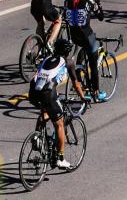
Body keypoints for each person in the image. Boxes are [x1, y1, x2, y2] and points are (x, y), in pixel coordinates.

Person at [27, 37, 89, 171]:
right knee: (59, 124)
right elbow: (76, 84)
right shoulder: (68, 62)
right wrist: (83, 98)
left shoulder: (47, 59)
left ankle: (37, 137)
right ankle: (60, 159)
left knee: (45, 112)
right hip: (48, 92)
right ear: (68, 51)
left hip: (33, 91)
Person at [62, 0, 107, 102]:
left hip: (74, 37)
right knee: (93, 65)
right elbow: (101, 17)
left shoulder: (67, 1)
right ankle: (97, 92)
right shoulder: (89, 1)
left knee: (82, 52)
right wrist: (99, 5)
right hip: (87, 37)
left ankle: (80, 75)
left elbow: (66, 15)